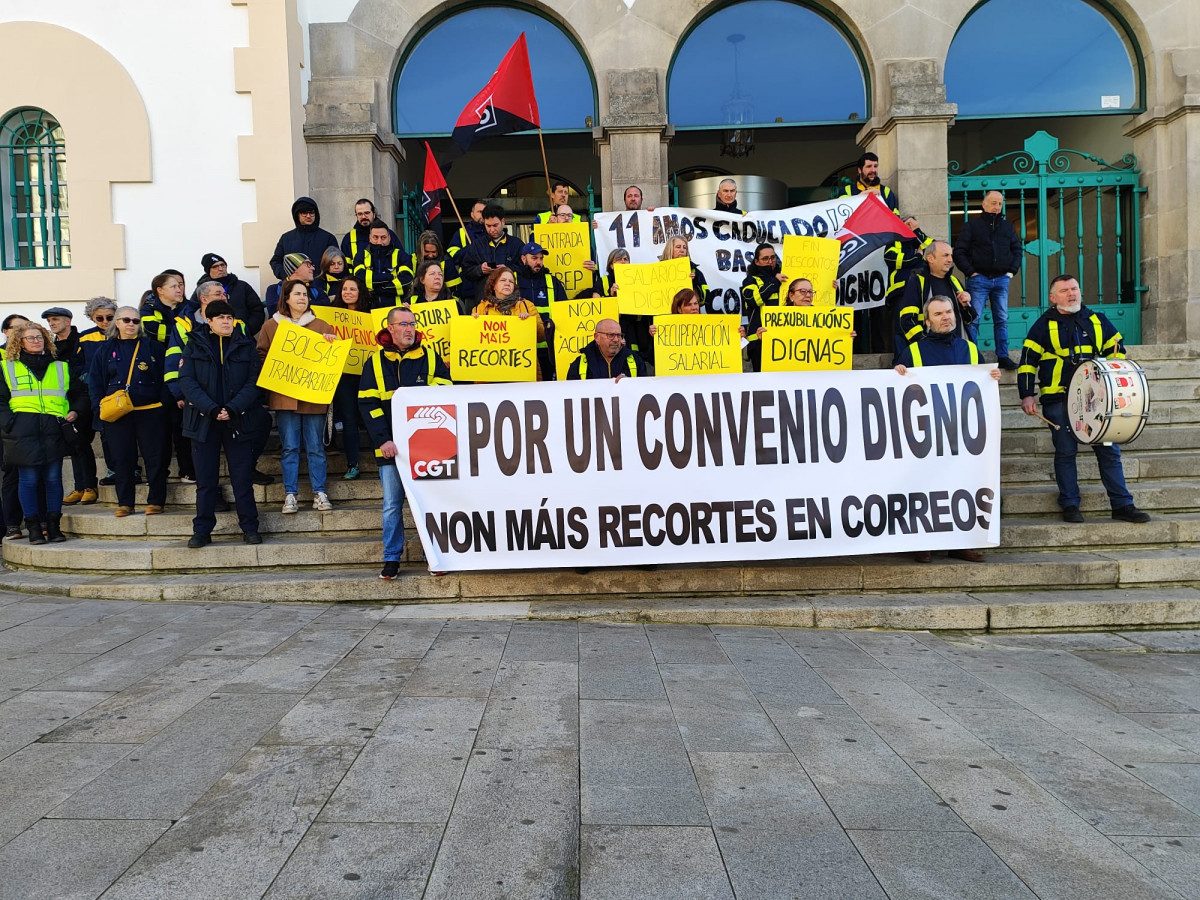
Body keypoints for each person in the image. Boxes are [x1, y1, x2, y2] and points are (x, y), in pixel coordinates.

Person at [1018, 274, 1150, 525]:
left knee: (1109, 451)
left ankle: (1122, 505)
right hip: (1057, 398)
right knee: (1066, 452)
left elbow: (1117, 348)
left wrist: (1115, 354)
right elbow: (1027, 363)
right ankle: (1070, 505)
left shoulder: (1097, 320)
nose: (1071, 294)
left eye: (1075, 288)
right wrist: (1027, 394)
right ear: (1052, 297)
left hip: (1097, 399)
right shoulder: (1041, 325)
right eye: (1065, 290)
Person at [894, 295, 999, 563]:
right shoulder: (914, 350)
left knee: (962, 485)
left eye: (949, 312)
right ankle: (921, 542)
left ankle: (960, 543)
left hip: (962, 431)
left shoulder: (970, 349)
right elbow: (897, 387)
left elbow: (980, 383)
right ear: (927, 321)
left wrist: (991, 377)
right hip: (926, 431)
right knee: (923, 486)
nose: (946, 317)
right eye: (939, 314)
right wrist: (898, 372)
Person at [358, 305, 451, 580]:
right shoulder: (374, 362)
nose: (409, 329)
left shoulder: (430, 357)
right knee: (391, 505)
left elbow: (447, 392)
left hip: (426, 447)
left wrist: (412, 394)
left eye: (412, 324)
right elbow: (367, 405)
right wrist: (383, 439)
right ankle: (391, 559)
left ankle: (433, 556)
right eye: (403, 324)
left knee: (429, 503)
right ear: (390, 328)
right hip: (390, 449)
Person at [177, 299, 264, 548]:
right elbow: (187, 382)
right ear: (209, 320)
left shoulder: (246, 346)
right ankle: (202, 531)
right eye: (220, 318)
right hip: (204, 422)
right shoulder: (194, 345)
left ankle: (250, 528)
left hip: (238, 420)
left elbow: (253, 382)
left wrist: (233, 408)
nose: (226, 322)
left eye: (229, 317)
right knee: (206, 482)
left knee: (242, 480)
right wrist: (212, 408)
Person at [0, 322, 88, 543]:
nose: (36, 341)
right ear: (19, 342)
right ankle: (33, 528)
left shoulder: (61, 366)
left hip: (53, 428)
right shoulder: (7, 367)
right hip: (22, 431)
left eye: (40, 337)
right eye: (30, 338)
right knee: (28, 480)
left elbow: (81, 394)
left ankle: (53, 526)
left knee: (52, 479)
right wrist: (10, 424)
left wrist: (75, 411)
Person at [257, 279, 337, 514]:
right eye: (297, 294)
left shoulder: (322, 325)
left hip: (313, 397)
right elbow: (261, 355)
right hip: (284, 396)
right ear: (287, 298)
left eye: (305, 294)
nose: (303, 298)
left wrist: (331, 345)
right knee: (290, 447)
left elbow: (332, 361)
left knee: (315, 447)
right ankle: (290, 494)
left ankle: (319, 492)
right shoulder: (271, 326)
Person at [88, 307, 170, 518]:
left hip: (150, 411)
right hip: (118, 413)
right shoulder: (104, 350)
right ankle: (125, 502)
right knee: (122, 459)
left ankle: (156, 500)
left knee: (156, 458)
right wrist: (99, 406)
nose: (131, 324)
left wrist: (162, 406)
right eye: (126, 320)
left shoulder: (153, 347)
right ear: (117, 323)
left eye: (135, 320)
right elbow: (96, 382)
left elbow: (164, 379)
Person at [953, 191, 1023, 369]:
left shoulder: (1007, 227)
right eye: (993, 203)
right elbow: (959, 251)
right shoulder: (972, 226)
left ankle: (1003, 356)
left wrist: (1011, 271)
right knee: (973, 319)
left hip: (1001, 280)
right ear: (983, 204)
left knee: (1001, 319)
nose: (997, 206)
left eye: (1000, 203)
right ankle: (972, 356)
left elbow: (1017, 249)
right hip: (979, 280)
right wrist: (971, 272)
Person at [43, 306, 98, 505]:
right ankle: (80, 487)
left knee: (81, 442)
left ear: (68, 320)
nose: (52, 323)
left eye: (55, 319)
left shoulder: (82, 339)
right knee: (73, 445)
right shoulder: (50, 346)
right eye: (49, 320)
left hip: (83, 398)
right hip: (62, 401)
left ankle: (89, 486)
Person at [329, 274, 372, 481]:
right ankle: (352, 463)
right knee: (348, 419)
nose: (347, 293)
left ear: (360, 292)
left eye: (352, 289)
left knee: (372, 416)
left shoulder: (371, 317)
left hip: (369, 374)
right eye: (344, 289)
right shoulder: (332, 318)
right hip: (344, 375)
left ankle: (382, 460)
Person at [74, 297, 117, 501]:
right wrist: (88, 376)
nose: (105, 321)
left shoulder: (122, 332)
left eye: (109, 317)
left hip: (119, 391)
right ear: (92, 318)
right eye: (99, 318)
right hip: (97, 393)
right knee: (105, 433)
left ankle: (130, 469)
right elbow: (76, 364)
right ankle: (112, 470)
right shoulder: (84, 338)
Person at [897, 241, 975, 352]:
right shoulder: (917, 283)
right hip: (931, 353)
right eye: (945, 255)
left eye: (951, 255)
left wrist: (966, 306)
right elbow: (907, 320)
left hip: (958, 351)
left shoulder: (955, 282)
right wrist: (923, 344)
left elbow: (969, 320)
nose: (950, 260)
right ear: (930, 258)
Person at [472, 267, 546, 381]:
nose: (507, 284)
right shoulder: (480, 309)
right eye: (503, 280)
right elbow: (472, 342)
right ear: (493, 285)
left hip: (521, 375)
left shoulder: (526, 306)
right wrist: (472, 324)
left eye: (511, 281)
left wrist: (531, 322)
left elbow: (542, 336)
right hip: (490, 377)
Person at [515, 241, 567, 379]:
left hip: (547, 349)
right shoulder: (512, 280)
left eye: (541, 258)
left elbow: (564, 312)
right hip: (519, 349)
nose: (538, 262)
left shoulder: (552, 282)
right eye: (534, 258)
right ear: (523, 259)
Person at [0, 315, 32, 539]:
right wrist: (9, 422)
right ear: (5, 331)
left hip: (32, 425)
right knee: (12, 475)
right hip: (8, 428)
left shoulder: (32, 356)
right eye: (17, 328)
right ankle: (11, 524)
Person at [459, 204, 523, 301]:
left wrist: (507, 269)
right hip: (484, 300)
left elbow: (525, 269)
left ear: (503, 222)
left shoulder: (516, 244)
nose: (492, 229)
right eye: (488, 226)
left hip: (511, 301)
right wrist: (480, 269)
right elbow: (466, 271)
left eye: (495, 225)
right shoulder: (477, 245)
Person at [194, 253, 265, 337]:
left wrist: (246, 331)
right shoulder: (202, 289)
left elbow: (257, 310)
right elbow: (192, 310)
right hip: (208, 338)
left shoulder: (242, 286)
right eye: (215, 267)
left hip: (241, 338)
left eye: (222, 265)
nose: (221, 269)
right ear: (208, 270)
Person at [741, 243, 786, 371]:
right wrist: (775, 282)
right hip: (759, 342)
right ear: (757, 261)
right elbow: (753, 300)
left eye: (773, 257)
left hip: (784, 340)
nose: (770, 261)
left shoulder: (785, 278)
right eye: (765, 258)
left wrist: (829, 286)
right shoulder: (750, 281)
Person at [270, 196, 338, 280]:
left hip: (320, 288)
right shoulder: (286, 238)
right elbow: (275, 261)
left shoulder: (328, 238)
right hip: (293, 287)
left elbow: (336, 263)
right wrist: (288, 277)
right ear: (297, 215)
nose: (308, 216)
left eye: (312, 212)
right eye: (304, 213)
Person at [352, 218, 413, 309]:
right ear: (370, 237)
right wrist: (390, 277)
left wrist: (377, 288)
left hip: (395, 309)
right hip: (367, 310)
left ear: (389, 237)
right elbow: (360, 280)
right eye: (375, 237)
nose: (379, 242)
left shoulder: (401, 256)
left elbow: (405, 282)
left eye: (383, 237)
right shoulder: (360, 256)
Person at [565, 317, 644, 380]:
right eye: (611, 335)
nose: (616, 340)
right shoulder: (578, 365)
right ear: (597, 337)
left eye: (619, 335)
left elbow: (644, 392)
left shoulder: (636, 361)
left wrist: (631, 385)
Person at [264, 253, 329, 316]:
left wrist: (291, 304)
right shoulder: (274, 289)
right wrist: (309, 305)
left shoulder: (316, 290)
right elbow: (274, 310)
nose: (312, 268)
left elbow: (326, 306)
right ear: (295, 269)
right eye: (308, 264)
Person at [340, 198, 401, 263]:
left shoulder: (388, 235)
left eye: (367, 213)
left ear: (374, 214)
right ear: (356, 216)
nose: (363, 217)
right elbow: (345, 268)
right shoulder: (348, 239)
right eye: (360, 214)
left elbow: (401, 259)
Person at [141, 270, 190, 346]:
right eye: (174, 287)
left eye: (179, 285)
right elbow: (153, 331)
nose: (179, 290)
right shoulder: (148, 309)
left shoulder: (192, 307)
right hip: (159, 354)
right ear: (160, 290)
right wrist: (184, 331)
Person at [410, 229, 461, 295]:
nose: (430, 255)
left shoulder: (446, 263)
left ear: (438, 250)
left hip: (441, 303)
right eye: (427, 252)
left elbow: (454, 291)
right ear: (420, 250)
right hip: (417, 303)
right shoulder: (412, 260)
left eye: (434, 252)